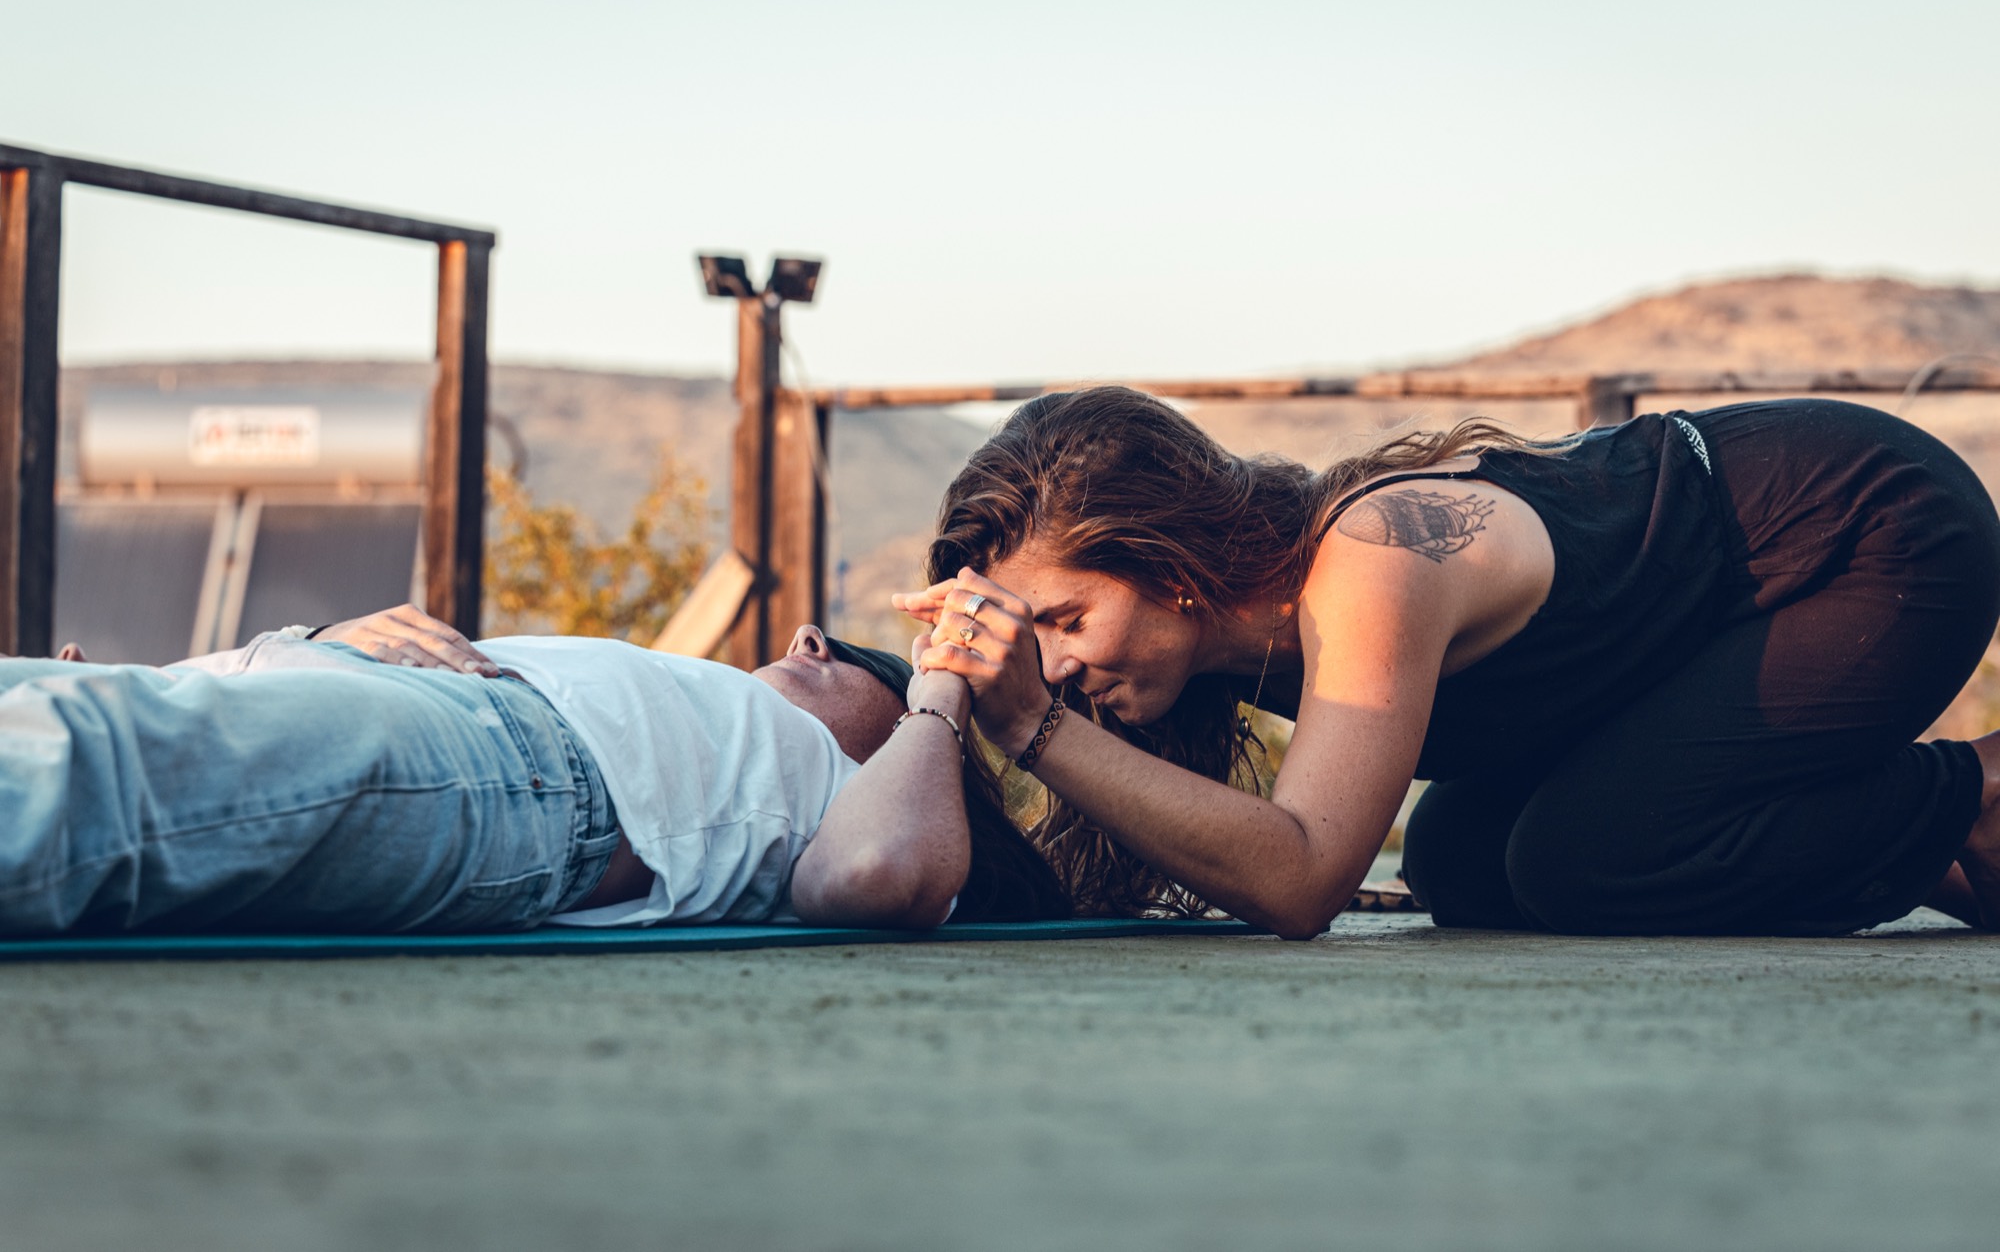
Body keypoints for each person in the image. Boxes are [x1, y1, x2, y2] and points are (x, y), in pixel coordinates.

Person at [896, 387, 2000, 938]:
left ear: (1169, 565)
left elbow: (1298, 877)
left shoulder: (1372, 562)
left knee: (1593, 856)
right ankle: (1955, 859)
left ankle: (1977, 790)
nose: (1052, 661)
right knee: (1462, 859)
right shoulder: (1227, 647)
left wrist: (1034, 723)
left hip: (1864, 537)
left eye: (1064, 617)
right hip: (1691, 635)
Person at [0, 606, 1068, 936]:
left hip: (520, 767)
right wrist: (320, 631)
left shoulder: (857, 790)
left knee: (81, 767)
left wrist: (939, 690)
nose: (807, 640)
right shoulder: (701, 696)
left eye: (847, 661)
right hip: (332, 685)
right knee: (64, 716)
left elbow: (884, 870)